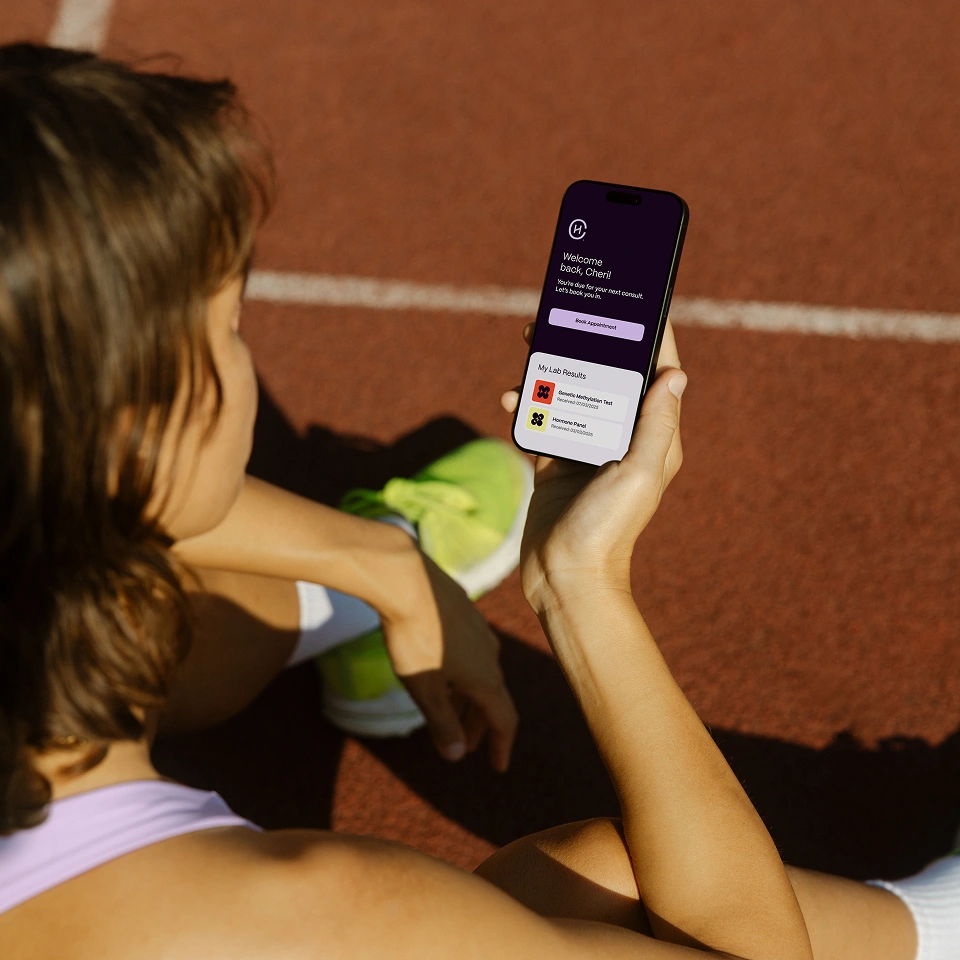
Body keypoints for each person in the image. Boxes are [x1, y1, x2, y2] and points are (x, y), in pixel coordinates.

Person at [0, 42, 945, 960]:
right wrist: (581, 586)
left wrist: (382, 563)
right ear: (138, 437)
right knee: (606, 879)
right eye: (231, 325)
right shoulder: (323, 916)